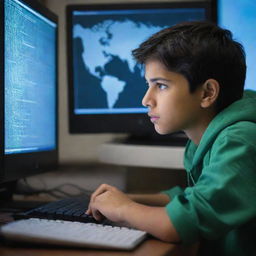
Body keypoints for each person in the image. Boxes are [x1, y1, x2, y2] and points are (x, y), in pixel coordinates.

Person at [86, 21, 256, 255]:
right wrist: (129, 199)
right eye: (149, 85)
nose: (146, 100)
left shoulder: (240, 140)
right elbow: (194, 198)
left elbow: (181, 223)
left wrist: (124, 209)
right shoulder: (203, 140)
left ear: (207, 93)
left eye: (161, 86)